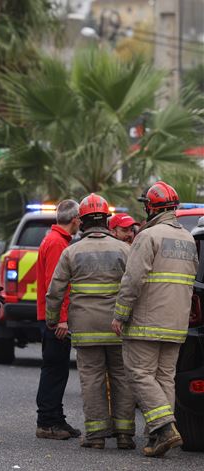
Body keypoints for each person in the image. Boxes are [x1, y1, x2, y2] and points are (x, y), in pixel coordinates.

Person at [112, 181, 198, 457]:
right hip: (177, 323)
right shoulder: (188, 239)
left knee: (139, 373)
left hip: (146, 323)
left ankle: (164, 427)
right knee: (164, 378)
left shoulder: (147, 237)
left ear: (151, 207)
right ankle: (157, 436)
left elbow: (133, 279)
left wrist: (120, 314)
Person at [45, 194, 136, 450]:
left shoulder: (71, 251)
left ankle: (95, 436)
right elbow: (134, 286)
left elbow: (55, 290)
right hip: (117, 327)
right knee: (121, 378)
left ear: (82, 221)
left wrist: (53, 320)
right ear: (106, 220)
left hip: (85, 328)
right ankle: (125, 435)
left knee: (92, 379)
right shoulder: (124, 249)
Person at [34, 200, 82, 440]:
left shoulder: (57, 241)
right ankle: (47, 422)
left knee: (58, 369)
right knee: (54, 370)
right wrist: (61, 320)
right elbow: (57, 286)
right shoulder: (56, 244)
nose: (81, 223)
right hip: (55, 321)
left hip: (52, 318)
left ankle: (55, 418)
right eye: (80, 219)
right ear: (74, 220)